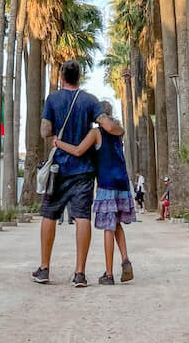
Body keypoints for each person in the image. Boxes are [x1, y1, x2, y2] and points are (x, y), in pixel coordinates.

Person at [32, 60, 121, 288]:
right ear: (79, 76)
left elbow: (44, 131)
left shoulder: (52, 99)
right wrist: (117, 128)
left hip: (58, 168)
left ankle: (44, 268)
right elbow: (107, 126)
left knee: (49, 214)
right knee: (82, 217)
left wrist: (56, 132)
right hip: (84, 170)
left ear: (62, 76)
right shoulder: (90, 101)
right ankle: (79, 273)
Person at [54, 99, 135, 286]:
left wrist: (59, 143)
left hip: (106, 184)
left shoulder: (96, 132)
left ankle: (109, 273)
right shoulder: (118, 130)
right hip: (122, 182)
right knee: (116, 224)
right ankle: (125, 259)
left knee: (108, 227)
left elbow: (78, 150)